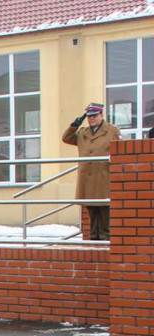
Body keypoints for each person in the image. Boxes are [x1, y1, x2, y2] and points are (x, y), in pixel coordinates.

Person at [62, 102, 120, 240]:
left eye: (94, 115)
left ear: (101, 115)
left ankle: (106, 238)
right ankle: (94, 238)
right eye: (88, 116)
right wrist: (74, 125)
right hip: (87, 178)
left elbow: (119, 150)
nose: (91, 119)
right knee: (92, 209)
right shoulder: (83, 132)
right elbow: (66, 138)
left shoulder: (112, 131)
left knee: (104, 210)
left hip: (103, 176)